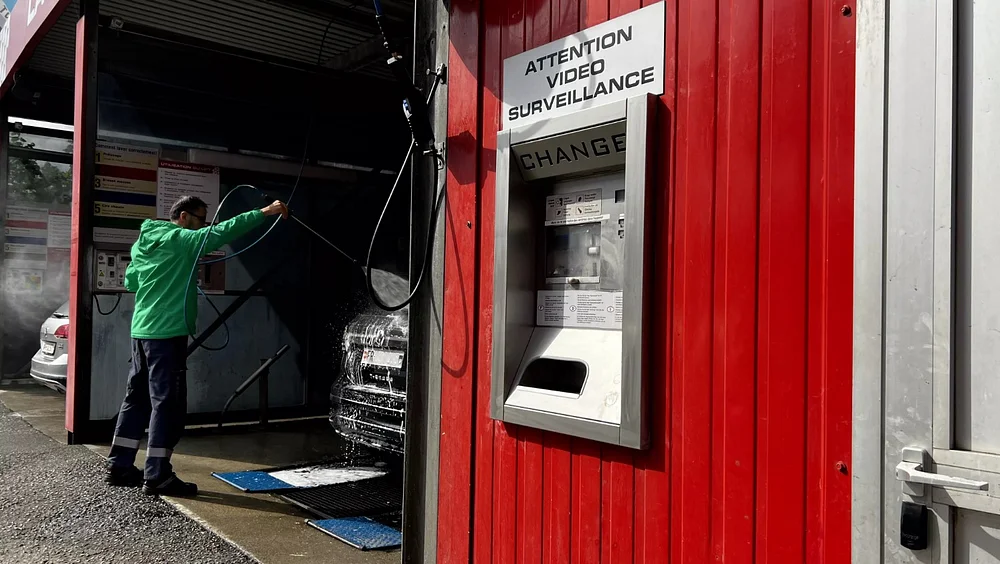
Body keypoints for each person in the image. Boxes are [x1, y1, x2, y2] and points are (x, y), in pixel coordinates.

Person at [105, 195, 288, 496]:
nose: (206, 224)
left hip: (141, 332)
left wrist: (169, 278)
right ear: (185, 217)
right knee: (167, 403)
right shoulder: (181, 238)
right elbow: (220, 233)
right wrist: (265, 212)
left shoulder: (143, 243)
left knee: (136, 398)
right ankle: (158, 475)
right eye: (202, 219)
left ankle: (119, 466)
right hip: (167, 333)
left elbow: (132, 282)